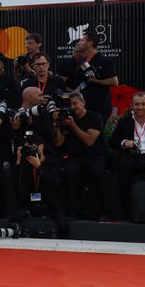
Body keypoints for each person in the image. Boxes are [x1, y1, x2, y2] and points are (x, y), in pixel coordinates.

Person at [53, 91, 117, 220]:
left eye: (75, 103)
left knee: (97, 173)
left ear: (83, 103)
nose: (73, 107)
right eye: (70, 104)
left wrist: (73, 126)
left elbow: (89, 141)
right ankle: (73, 210)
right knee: (69, 171)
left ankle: (106, 211)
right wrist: (57, 124)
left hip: (95, 155)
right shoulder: (66, 118)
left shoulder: (94, 117)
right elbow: (59, 143)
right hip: (74, 156)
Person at [57, 32, 118, 125]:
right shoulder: (81, 61)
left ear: (90, 43)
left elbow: (114, 81)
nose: (79, 42)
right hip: (83, 106)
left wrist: (95, 81)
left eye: (82, 40)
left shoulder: (104, 61)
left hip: (99, 105)